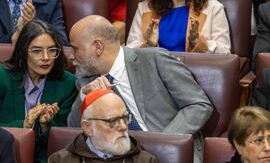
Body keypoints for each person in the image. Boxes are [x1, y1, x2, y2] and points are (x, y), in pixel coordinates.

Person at [67, 15, 213, 163]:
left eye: (75, 48)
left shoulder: (155, 59)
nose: (71, 56)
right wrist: (84, 97)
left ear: (98, 47)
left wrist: (162, 141)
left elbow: (199, 105)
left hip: (171, 153)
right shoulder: (87, 81)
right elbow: (72, 131)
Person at [0, 20, 77, 162]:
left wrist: (44, 126)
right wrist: (24, 125)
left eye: (52, 50)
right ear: (23, 52)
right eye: (37, 51)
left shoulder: (67, 84)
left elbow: (63, 140)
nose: (46, 57)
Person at [48, 89, 157, 162]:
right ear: (88, 128)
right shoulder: (60, 160)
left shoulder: (147, 160)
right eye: (112, 121)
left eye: (124, 118)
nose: (123, 127)